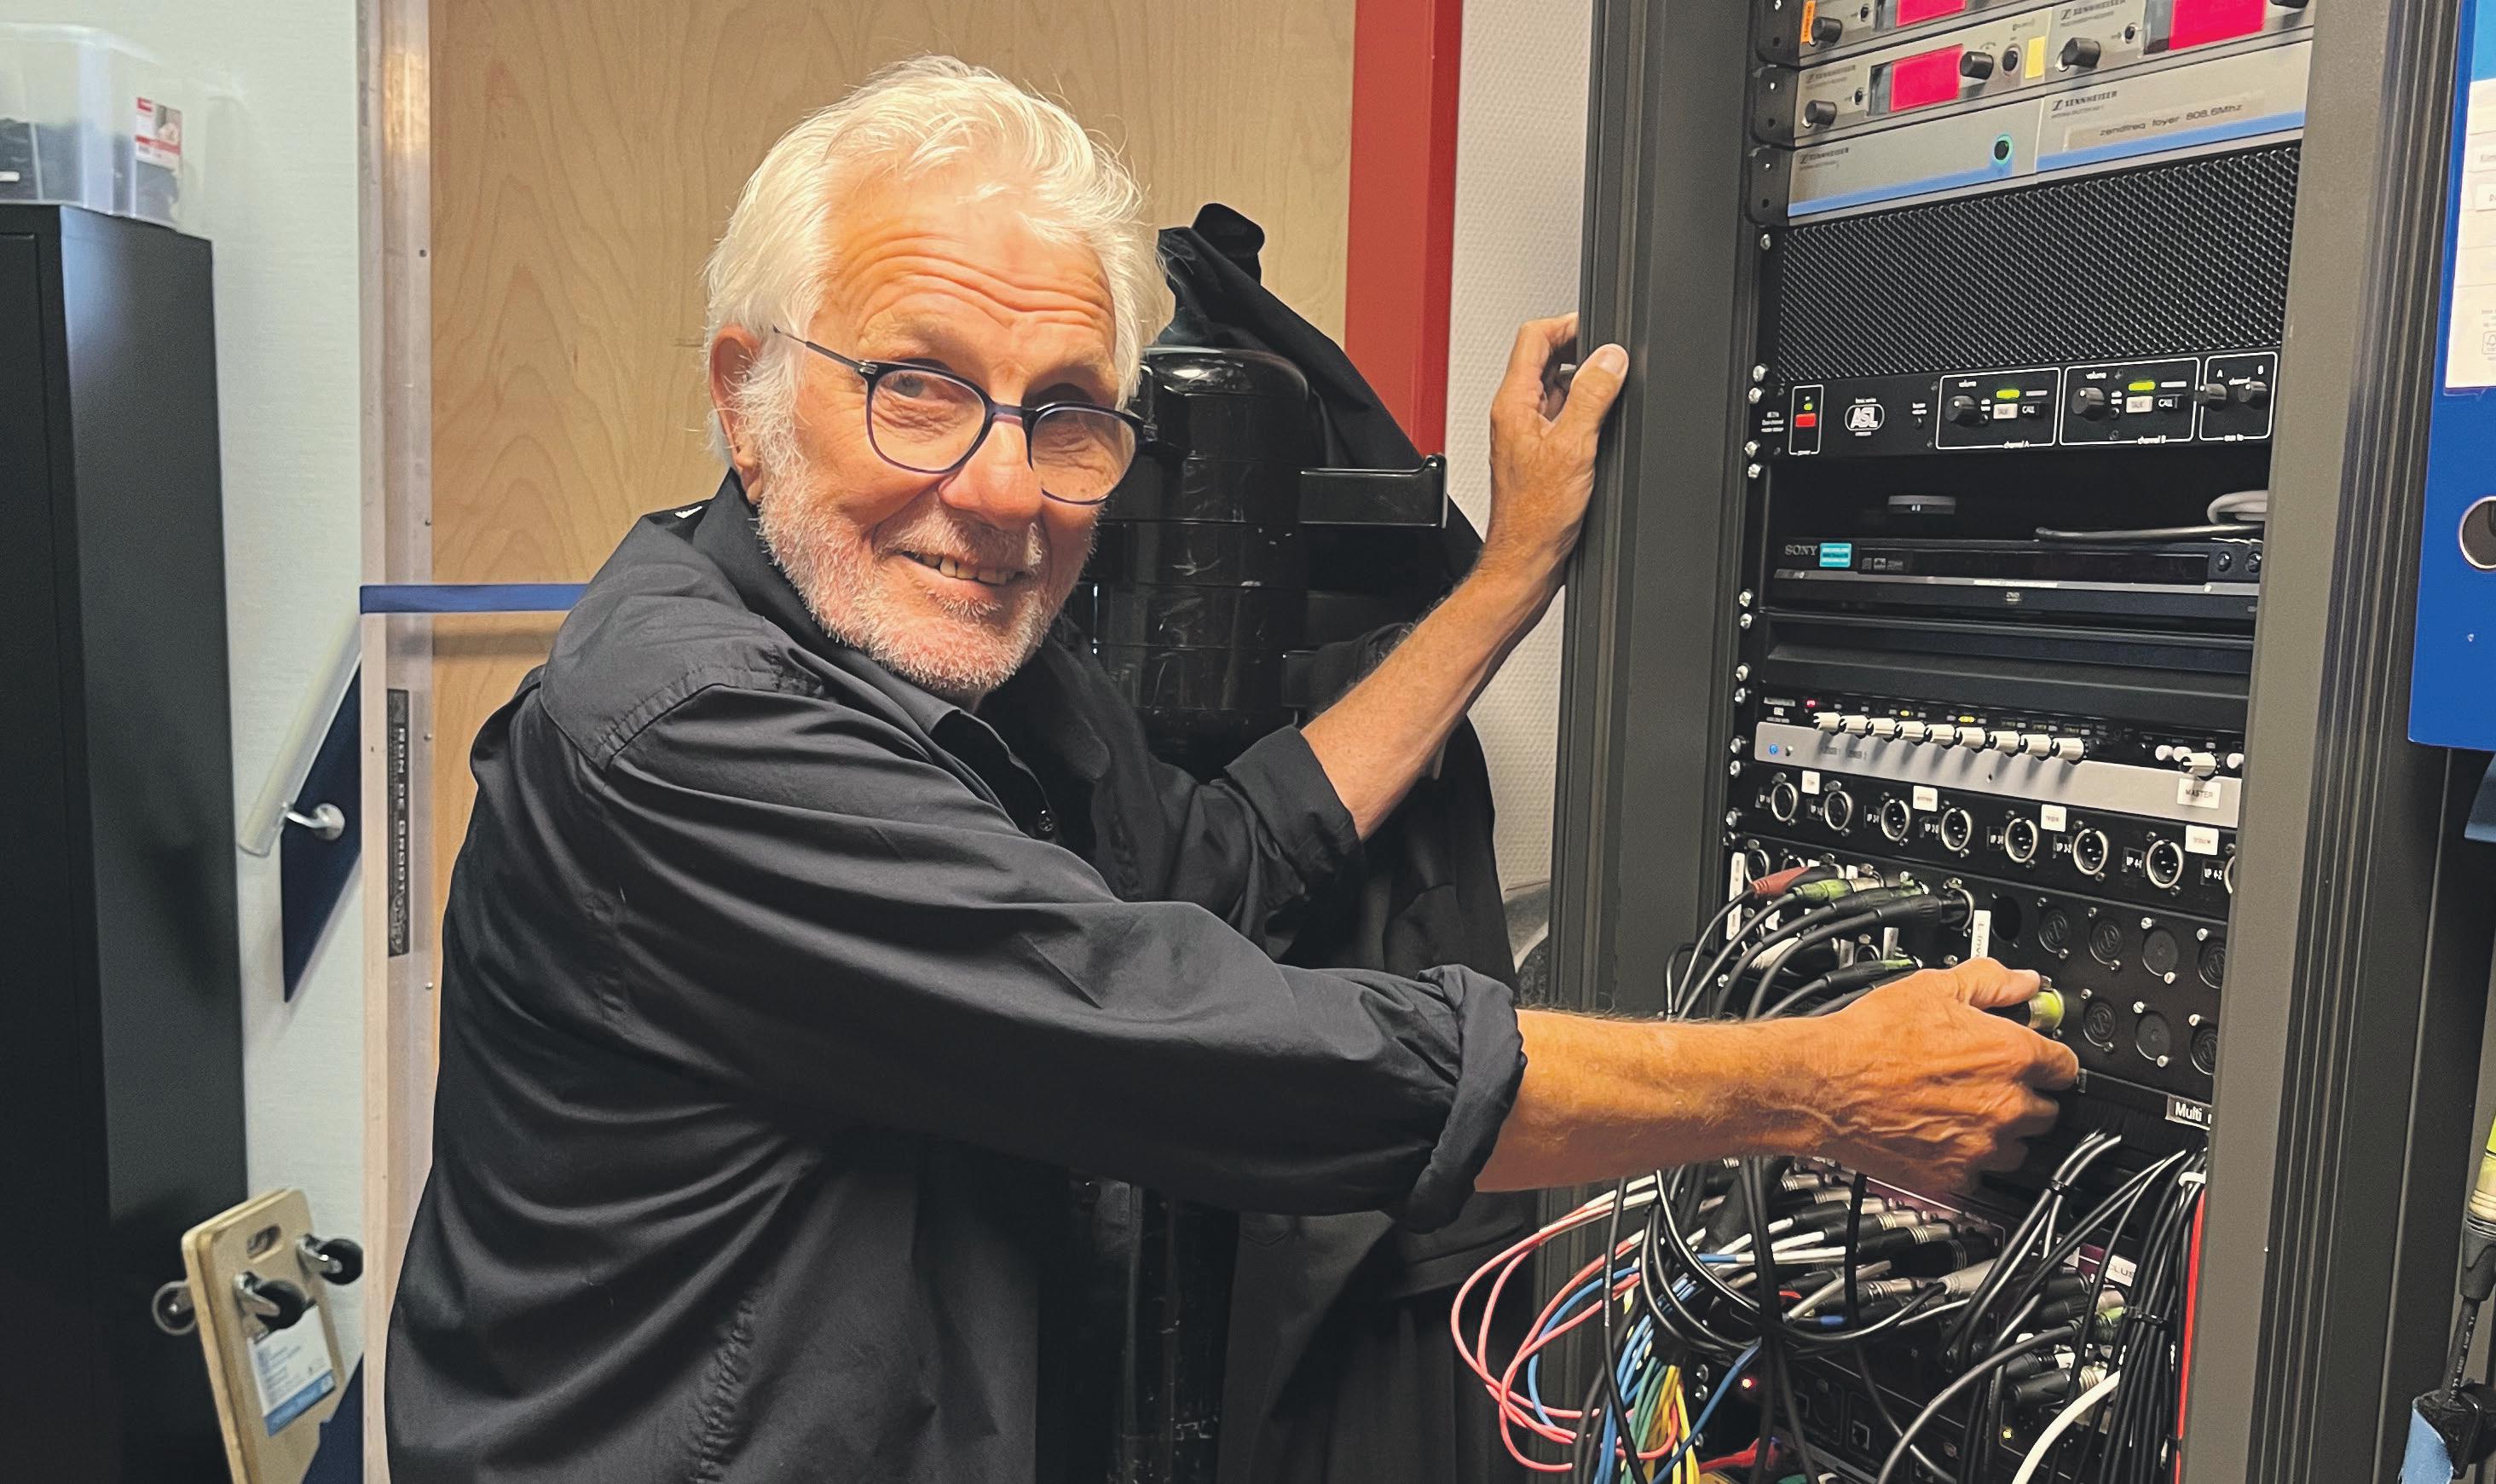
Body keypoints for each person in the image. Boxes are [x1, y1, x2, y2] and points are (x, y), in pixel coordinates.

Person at [384, 55, 2078, 1484]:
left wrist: (1508, 578)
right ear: (746, 397)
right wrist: (1818, 1084)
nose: (1003, 488)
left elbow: (1213, 856)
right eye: (918, 388)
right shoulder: (686, 732)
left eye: (1065, 411)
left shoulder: (971, 664)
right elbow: (1207, 1047)